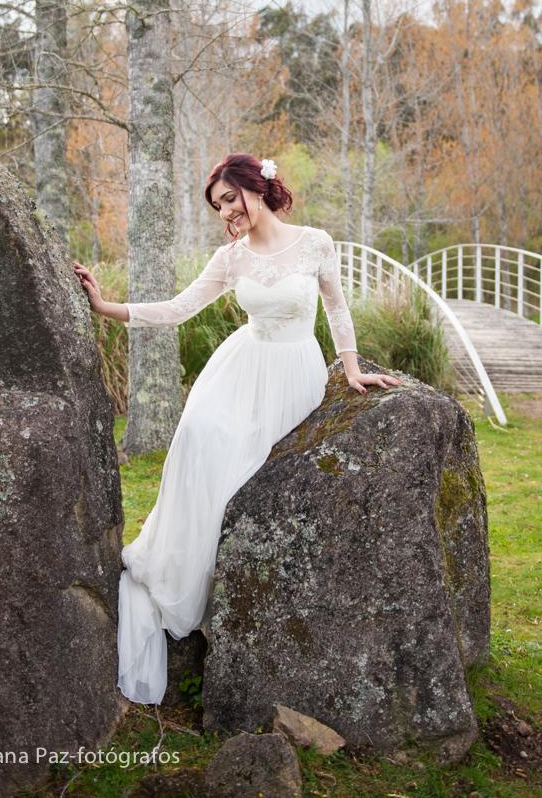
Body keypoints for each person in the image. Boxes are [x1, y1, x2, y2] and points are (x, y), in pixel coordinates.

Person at [72, 153, 400, 704]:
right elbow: (178, 309)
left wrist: (351, 369)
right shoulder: (230, 258)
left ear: (259, 186)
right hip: (240, 369)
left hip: (293, 373)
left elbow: (337, 307)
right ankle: (187, 575)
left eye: (231, 198)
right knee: (202, 444)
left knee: (251, 470)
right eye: (218, 205)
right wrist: (105, 307)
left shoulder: (315, 242)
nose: (227, 211)